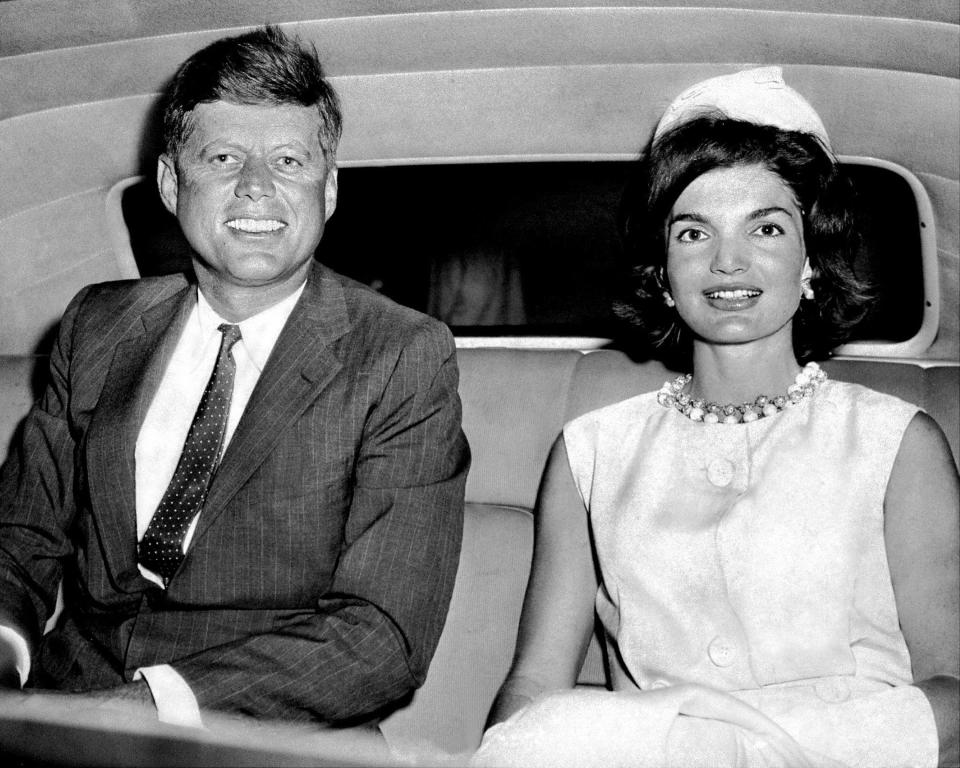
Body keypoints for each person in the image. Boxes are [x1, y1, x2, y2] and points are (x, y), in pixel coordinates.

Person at [475, 68, 958, 767]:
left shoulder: (897, 444)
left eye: (766, 227)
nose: (728, 261)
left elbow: (950, 695)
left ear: (810, 259)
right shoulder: (590, 453)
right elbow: (534, 686)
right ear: (663, 275)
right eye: (694, 233)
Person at [0, 26, 469, 729]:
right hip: (65, 706)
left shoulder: (401, 355)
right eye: (223, 157)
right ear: (169, 182)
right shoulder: (98, 325)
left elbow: (383, 635)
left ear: (328, 189)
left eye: (288, 159)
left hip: (268, 735)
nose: (256, 187)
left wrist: (143, 707)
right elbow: (20, 539)